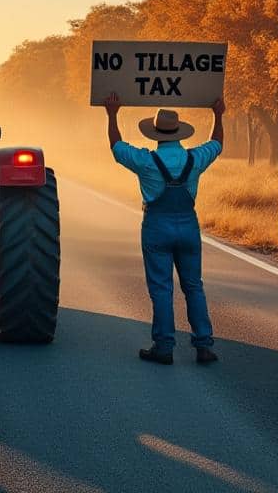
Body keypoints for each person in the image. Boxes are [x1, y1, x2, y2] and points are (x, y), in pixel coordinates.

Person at [104, 92, 225, 365]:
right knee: (194, 286)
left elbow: (116, 146)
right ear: (180, 133)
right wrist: (218, 115)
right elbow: (217, 143)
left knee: (161, 288)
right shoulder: (195, 158)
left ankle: (164, 346)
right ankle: (203, 346)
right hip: (188, 226)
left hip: (157, 226)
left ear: (155, 133)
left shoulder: (146, 161)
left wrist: (112, 114)